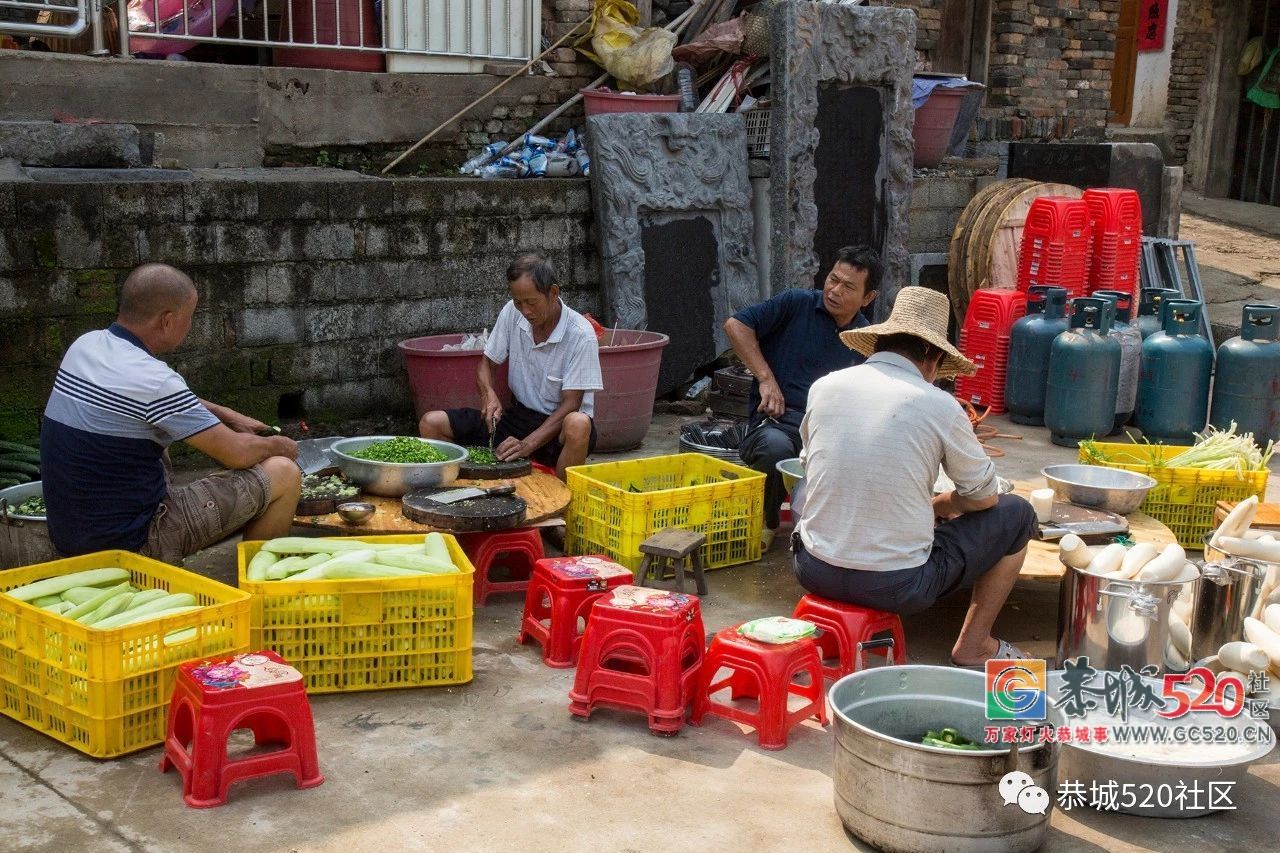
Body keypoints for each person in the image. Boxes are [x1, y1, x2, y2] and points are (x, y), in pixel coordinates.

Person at [791, 286, 1037, 666]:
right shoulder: (939, 404)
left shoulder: (825, 386)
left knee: (807, 487)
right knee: (1017, 513)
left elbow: (816, 466)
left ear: (880, 343)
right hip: (896, 586)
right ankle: (975, 644)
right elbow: (985, 497)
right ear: (934, 357)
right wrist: (946, 502)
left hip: (812, 569)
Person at [41, 264, 301, 564]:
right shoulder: (155, 381)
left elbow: (162, 401)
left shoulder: (85, 346)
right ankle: (258, 583)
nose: (189, 327)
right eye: (189, 318)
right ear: (167, 321)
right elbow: (237, 454)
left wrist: (229, 415)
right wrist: (282, 445)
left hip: (72, 536)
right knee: (283, 471)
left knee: (157, 436)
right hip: (135, 543)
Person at [724, 245, 882, 550]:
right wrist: (766, 378)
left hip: (831, 434)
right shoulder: (796, 303)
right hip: (776, 423)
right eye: (833, 279)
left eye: (848, 286)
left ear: (867, 298)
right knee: (774, 448)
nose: (834, 290)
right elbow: (736, 325)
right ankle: (766, 522)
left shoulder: (867, 338)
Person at [419, 253, 602, 479]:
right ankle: (472, 489)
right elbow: (487, 364)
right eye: (518, 302)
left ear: (553, 293)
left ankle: (562, 499)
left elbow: (572, 403)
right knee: (431, 423)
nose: (525, 311)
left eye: (532, 302)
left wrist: (528, 444)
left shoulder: (581, 334)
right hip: (519, 417)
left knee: (579, 424)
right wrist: (488, 394)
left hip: (558, 427)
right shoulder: (511, 312)